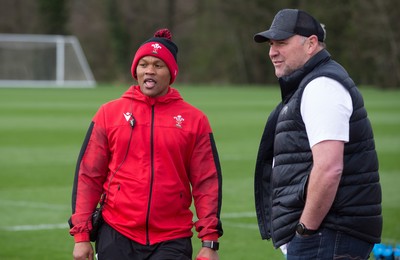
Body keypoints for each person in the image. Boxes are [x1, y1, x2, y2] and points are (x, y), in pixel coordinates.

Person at [69, 28, 223, 260]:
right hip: (116, 233)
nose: (149, 70)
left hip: (172, 238)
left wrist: (209, 242)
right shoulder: (108, 114)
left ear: (170, 73)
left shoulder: (195, 120)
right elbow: (89, 175)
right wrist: (81, 237)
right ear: (136, 71)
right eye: (144, 64)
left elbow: (206, 182)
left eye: (158, 65)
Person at [253, 9, 382, 259]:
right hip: (328, 234)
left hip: (327, 234)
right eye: (270, 44)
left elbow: (329, 168)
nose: (272, 52)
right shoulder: (312, 83)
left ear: (311, 44)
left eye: (281, 43)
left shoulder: (322, 86)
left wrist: (304, 230)